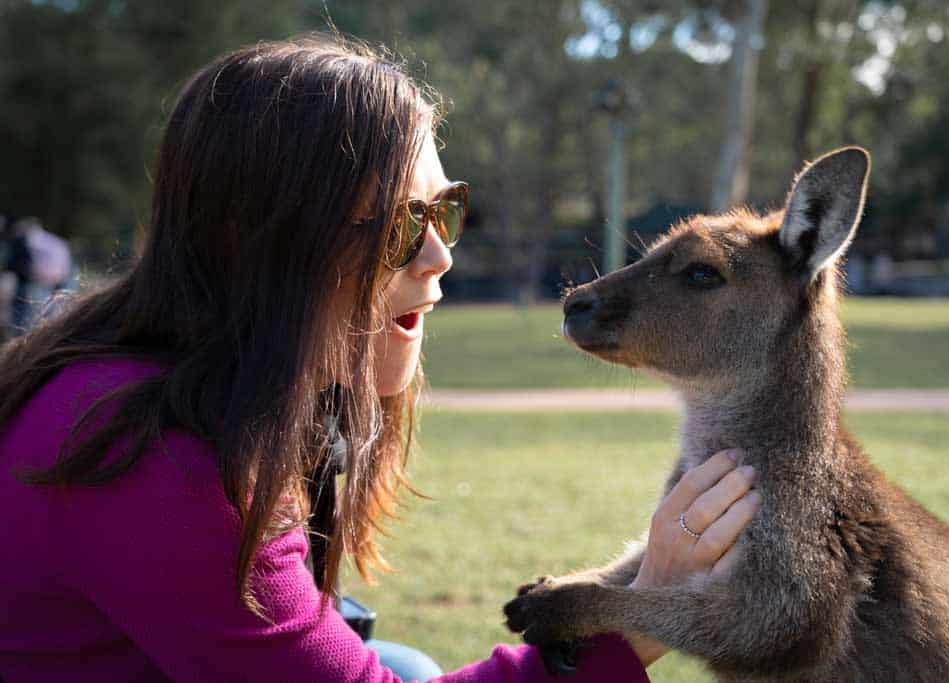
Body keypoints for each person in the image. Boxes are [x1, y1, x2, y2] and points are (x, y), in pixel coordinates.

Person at [0, 37, 762, 682]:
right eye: (399, 226)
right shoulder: (158, 464)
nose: (438, 256)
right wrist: (651, 607)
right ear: (268, 245)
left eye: (445, 212)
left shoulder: (211, 387)